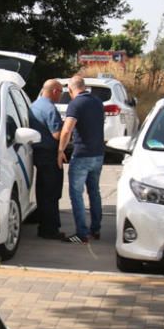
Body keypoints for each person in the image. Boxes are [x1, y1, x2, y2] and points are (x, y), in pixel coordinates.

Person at [57, 75, 105, 244]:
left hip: (82, 155)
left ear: (70, 89)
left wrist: (60, 150)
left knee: (76, 195)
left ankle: (81, 234)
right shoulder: (97, 102)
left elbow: (67, 129)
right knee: (94, 192)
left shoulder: (76, 104)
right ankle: (96, 230)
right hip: (98, 154)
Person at [29, 79, 65, 239]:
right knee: (52, 193)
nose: (61, 96)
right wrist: (68, 128)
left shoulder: (34, 105)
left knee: (42, 192)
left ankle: (43, 223)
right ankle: (50, 229)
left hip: (38, 154)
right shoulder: (50, 109)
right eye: (61, 92)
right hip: (50, 155)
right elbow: (57, 134)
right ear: (55, 91)